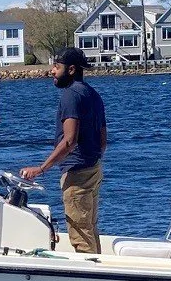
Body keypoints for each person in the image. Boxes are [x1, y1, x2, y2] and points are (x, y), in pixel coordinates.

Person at [19, 46, 107, 254]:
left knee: (80, 235)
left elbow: (69, 141)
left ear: (71, 70)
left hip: (76, 173)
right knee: (90, 229)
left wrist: (40, 169)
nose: (52, 70)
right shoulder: (93, 95)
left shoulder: (71, 95)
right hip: (94, 169)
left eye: (56, 66)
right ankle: (97, 274)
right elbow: (103, 141)